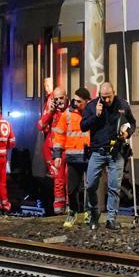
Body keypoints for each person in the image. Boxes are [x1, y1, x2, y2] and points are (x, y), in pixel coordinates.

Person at [81, 82, 134, 230]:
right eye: (103, 97)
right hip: (97, 151)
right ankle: (94, 213)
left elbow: (132, 123)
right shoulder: (92, 106)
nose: (107, 101)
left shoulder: (122, 105)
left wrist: (127, 133)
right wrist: (96, 116)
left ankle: (111, 219)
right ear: (99, 96)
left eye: (109, 97)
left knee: (114, 187)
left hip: (116, 151)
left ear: (114, 93)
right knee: (90, 185)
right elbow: (83, 126)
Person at [55, 86, 91, 227]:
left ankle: (89, 213)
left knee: (91, 187)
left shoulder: (93, 113)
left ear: (87, 101)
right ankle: (73, 213)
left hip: (89, 156)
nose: (75, 103)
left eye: (79, 101)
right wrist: (57, 155)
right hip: (73, 157)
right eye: (74, 100)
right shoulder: (67, 114)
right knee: (72, 189)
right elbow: (59, 135)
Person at [37, 86, 67, 197]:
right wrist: (49, 112)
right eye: (56, 99)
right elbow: (40, 126)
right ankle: (59, 211)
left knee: (69, 180)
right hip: (54, 151)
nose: (59, 101)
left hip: (68, 149)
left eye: (61, 98)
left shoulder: (71, 111)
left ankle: (70, 208)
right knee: (58, 180)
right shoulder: (51, 112)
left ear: (66, 97)